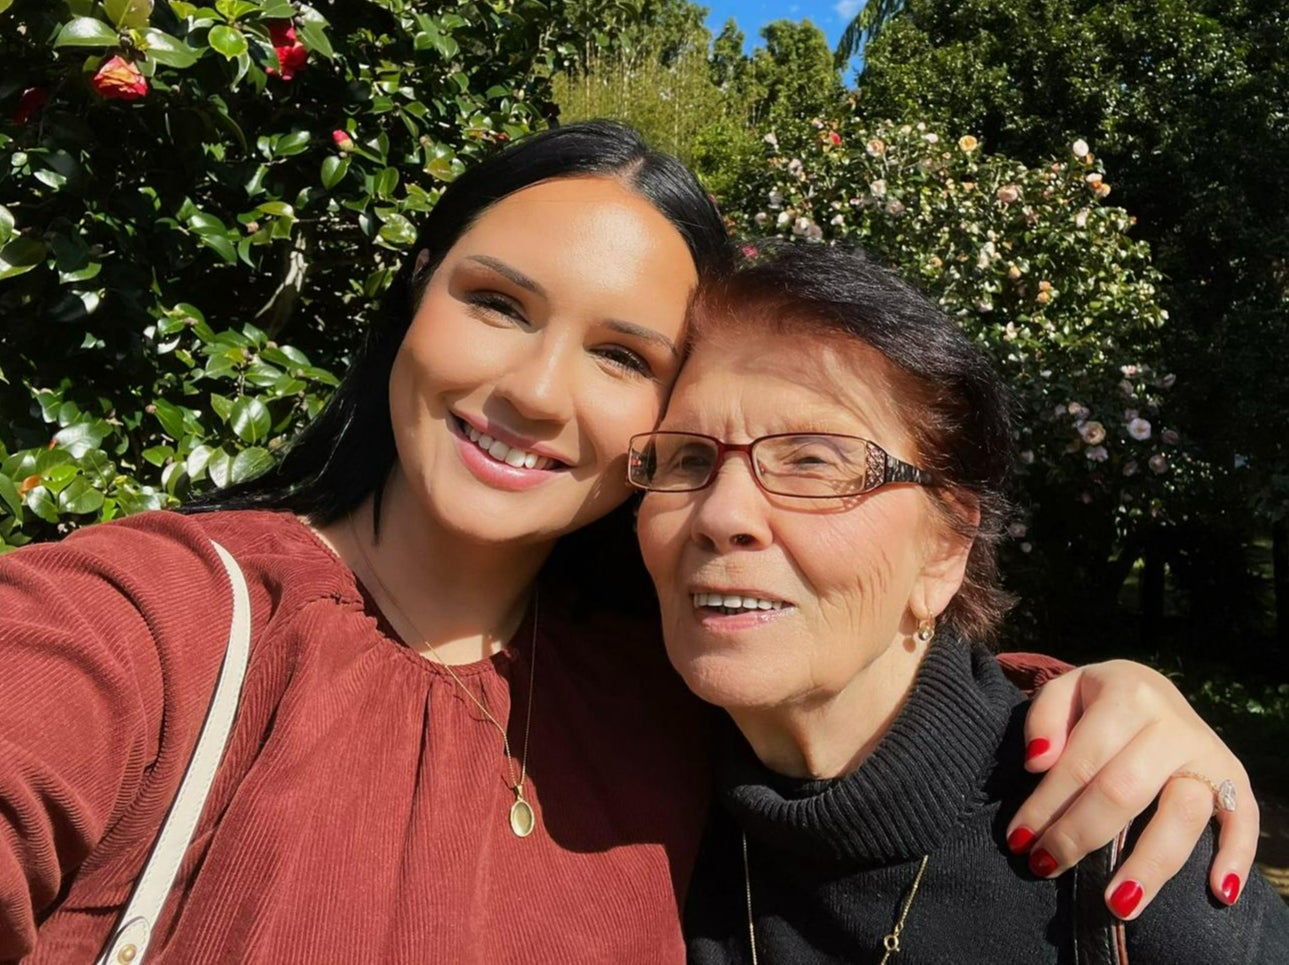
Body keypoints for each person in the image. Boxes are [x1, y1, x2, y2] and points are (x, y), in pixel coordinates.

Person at [0, 124, 1263, 963]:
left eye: (620, 356)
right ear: (416, 294)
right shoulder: (165, 623)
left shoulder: (655, 699)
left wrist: (1092, 703)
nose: (540, 392)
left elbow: (865, 714)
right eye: (496, 303)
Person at [626, 242, 1289, 962]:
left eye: (812, 459)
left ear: (945, 546)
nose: (721, 514)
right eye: (689, 458)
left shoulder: (1128, 847)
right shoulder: (624, 800)